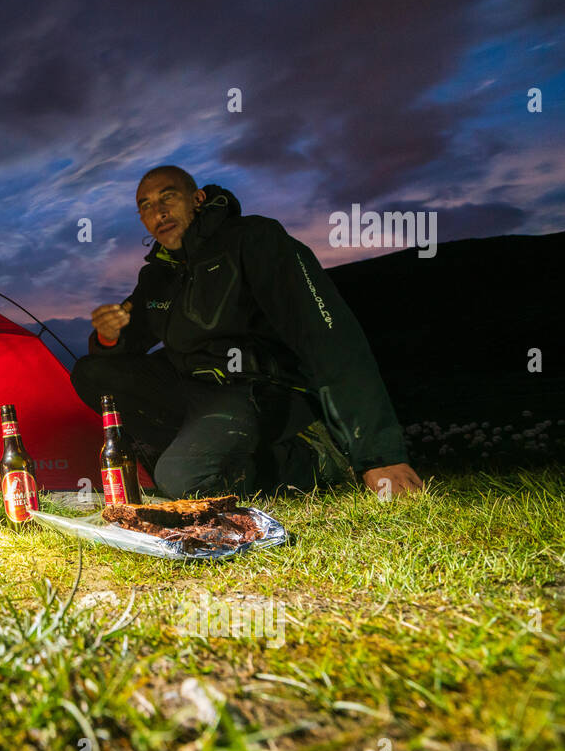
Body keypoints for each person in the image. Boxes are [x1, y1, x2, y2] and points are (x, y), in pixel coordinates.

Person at [71, 165, 423, 500]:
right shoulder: (157, 276)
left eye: (167, 197)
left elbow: (328, 335)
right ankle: (202, 453)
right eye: (145, 206)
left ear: (197, 199)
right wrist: (109, 336)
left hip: (254, 389)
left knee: (181, 481)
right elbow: (131, 344)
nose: (157, 212)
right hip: (196, 392)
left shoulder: (253, 238)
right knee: (93, 373)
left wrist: (378, 454)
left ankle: (314, 458)